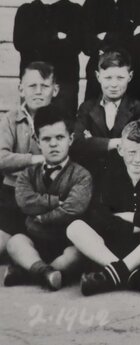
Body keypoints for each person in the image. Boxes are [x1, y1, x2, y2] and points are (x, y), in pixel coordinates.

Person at [66, 119, 140, 296]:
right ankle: (130, 275)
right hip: (113, 246)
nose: (137, 159)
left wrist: (124, 216)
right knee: (75, 228)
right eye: (131, 152)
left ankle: (114, 273)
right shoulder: (107, 175)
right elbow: (97, 217)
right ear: (120, 150)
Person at [3, 106, 91, 291]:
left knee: (77, 254)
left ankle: (31, 272)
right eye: (46, 139)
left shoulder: (81, 175)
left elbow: (73, 208)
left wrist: (43, 217)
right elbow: (25, 202)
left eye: (59, 138)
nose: (53, 144)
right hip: (36, 238)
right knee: (15, 242)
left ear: (71, 139)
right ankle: (45, 273)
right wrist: (54, 202)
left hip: (64, 240)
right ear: (37, 141)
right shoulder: (27, 173)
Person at [0, 63, 59, 258]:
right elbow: (1, 157)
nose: (38, 92)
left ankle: (27, 261)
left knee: (45, 244)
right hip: (12, 195)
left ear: (55, 90)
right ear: (21, 89)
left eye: (45, 86)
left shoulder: (63, 122)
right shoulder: (10, 119)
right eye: (32, 86)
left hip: (46, 197)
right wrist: (35, 159)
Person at [13, 0, 83, 112]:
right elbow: (21, 43)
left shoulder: (75, 11)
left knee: (62, 130)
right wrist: (57, 36)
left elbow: (75, 46)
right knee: (31, 128)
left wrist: (39, 39)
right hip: (32, 83)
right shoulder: (26, 11)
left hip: (64, 84)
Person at [72, 51, 140, 177]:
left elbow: (138, 143)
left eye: (120, 78)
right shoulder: (87, 108)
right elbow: (77, 142)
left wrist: (93, 141)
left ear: (130, 76)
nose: (114, 84)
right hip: (92, 175)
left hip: (125, 176)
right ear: (98, 77)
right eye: (108, 78)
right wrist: (117, 142)